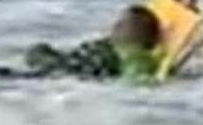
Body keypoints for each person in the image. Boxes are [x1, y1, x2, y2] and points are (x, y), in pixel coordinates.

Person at [25, 5, 163, 82]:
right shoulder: (110, 45)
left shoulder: (134, 55)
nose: (115, 27)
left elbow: (136, 80)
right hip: (61, 66)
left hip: (62, 74)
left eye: (122, 24)